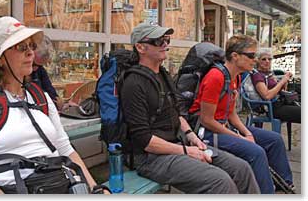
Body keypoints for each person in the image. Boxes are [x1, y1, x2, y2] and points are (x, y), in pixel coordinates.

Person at [0, 16, 107, 194]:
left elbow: (66, 149)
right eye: (21, 47)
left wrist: (96, 189)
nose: (30, 53)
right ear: (1, 58)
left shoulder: (40, 97)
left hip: (61, 185)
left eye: (32, 46)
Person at [121, 23, 260, 194]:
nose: (165, 44)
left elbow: (176, 113)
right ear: (140, 47)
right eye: (158, 41)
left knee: (241, 169)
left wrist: (191, 137)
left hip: (178, 144)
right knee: (219, 181)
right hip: (151, 158)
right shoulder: (133, 83)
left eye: (166, 39)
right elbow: (144, 140)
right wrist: (186, 151)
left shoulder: (163, 75)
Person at [189, 34, 294, 193]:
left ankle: (284, 186)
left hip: (224, 127)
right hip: (206, 133)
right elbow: (206, 120)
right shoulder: (215, 77)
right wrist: (239, 137)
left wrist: (246, 133)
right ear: (235, 56)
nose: (255, 60)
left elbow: (231, 114)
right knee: (256, 152)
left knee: (275, 139)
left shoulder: (235, 78)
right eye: (251, 56)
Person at [251, 48, 300, 124]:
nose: (267, 61)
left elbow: (281, 90)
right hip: (272, 108)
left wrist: (284, 82)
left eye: (269, 59)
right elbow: (267, 96)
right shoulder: (258, 76)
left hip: (281, 102)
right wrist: (282, 81)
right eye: (264, 59)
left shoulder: (269, 74)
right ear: (258, 61)